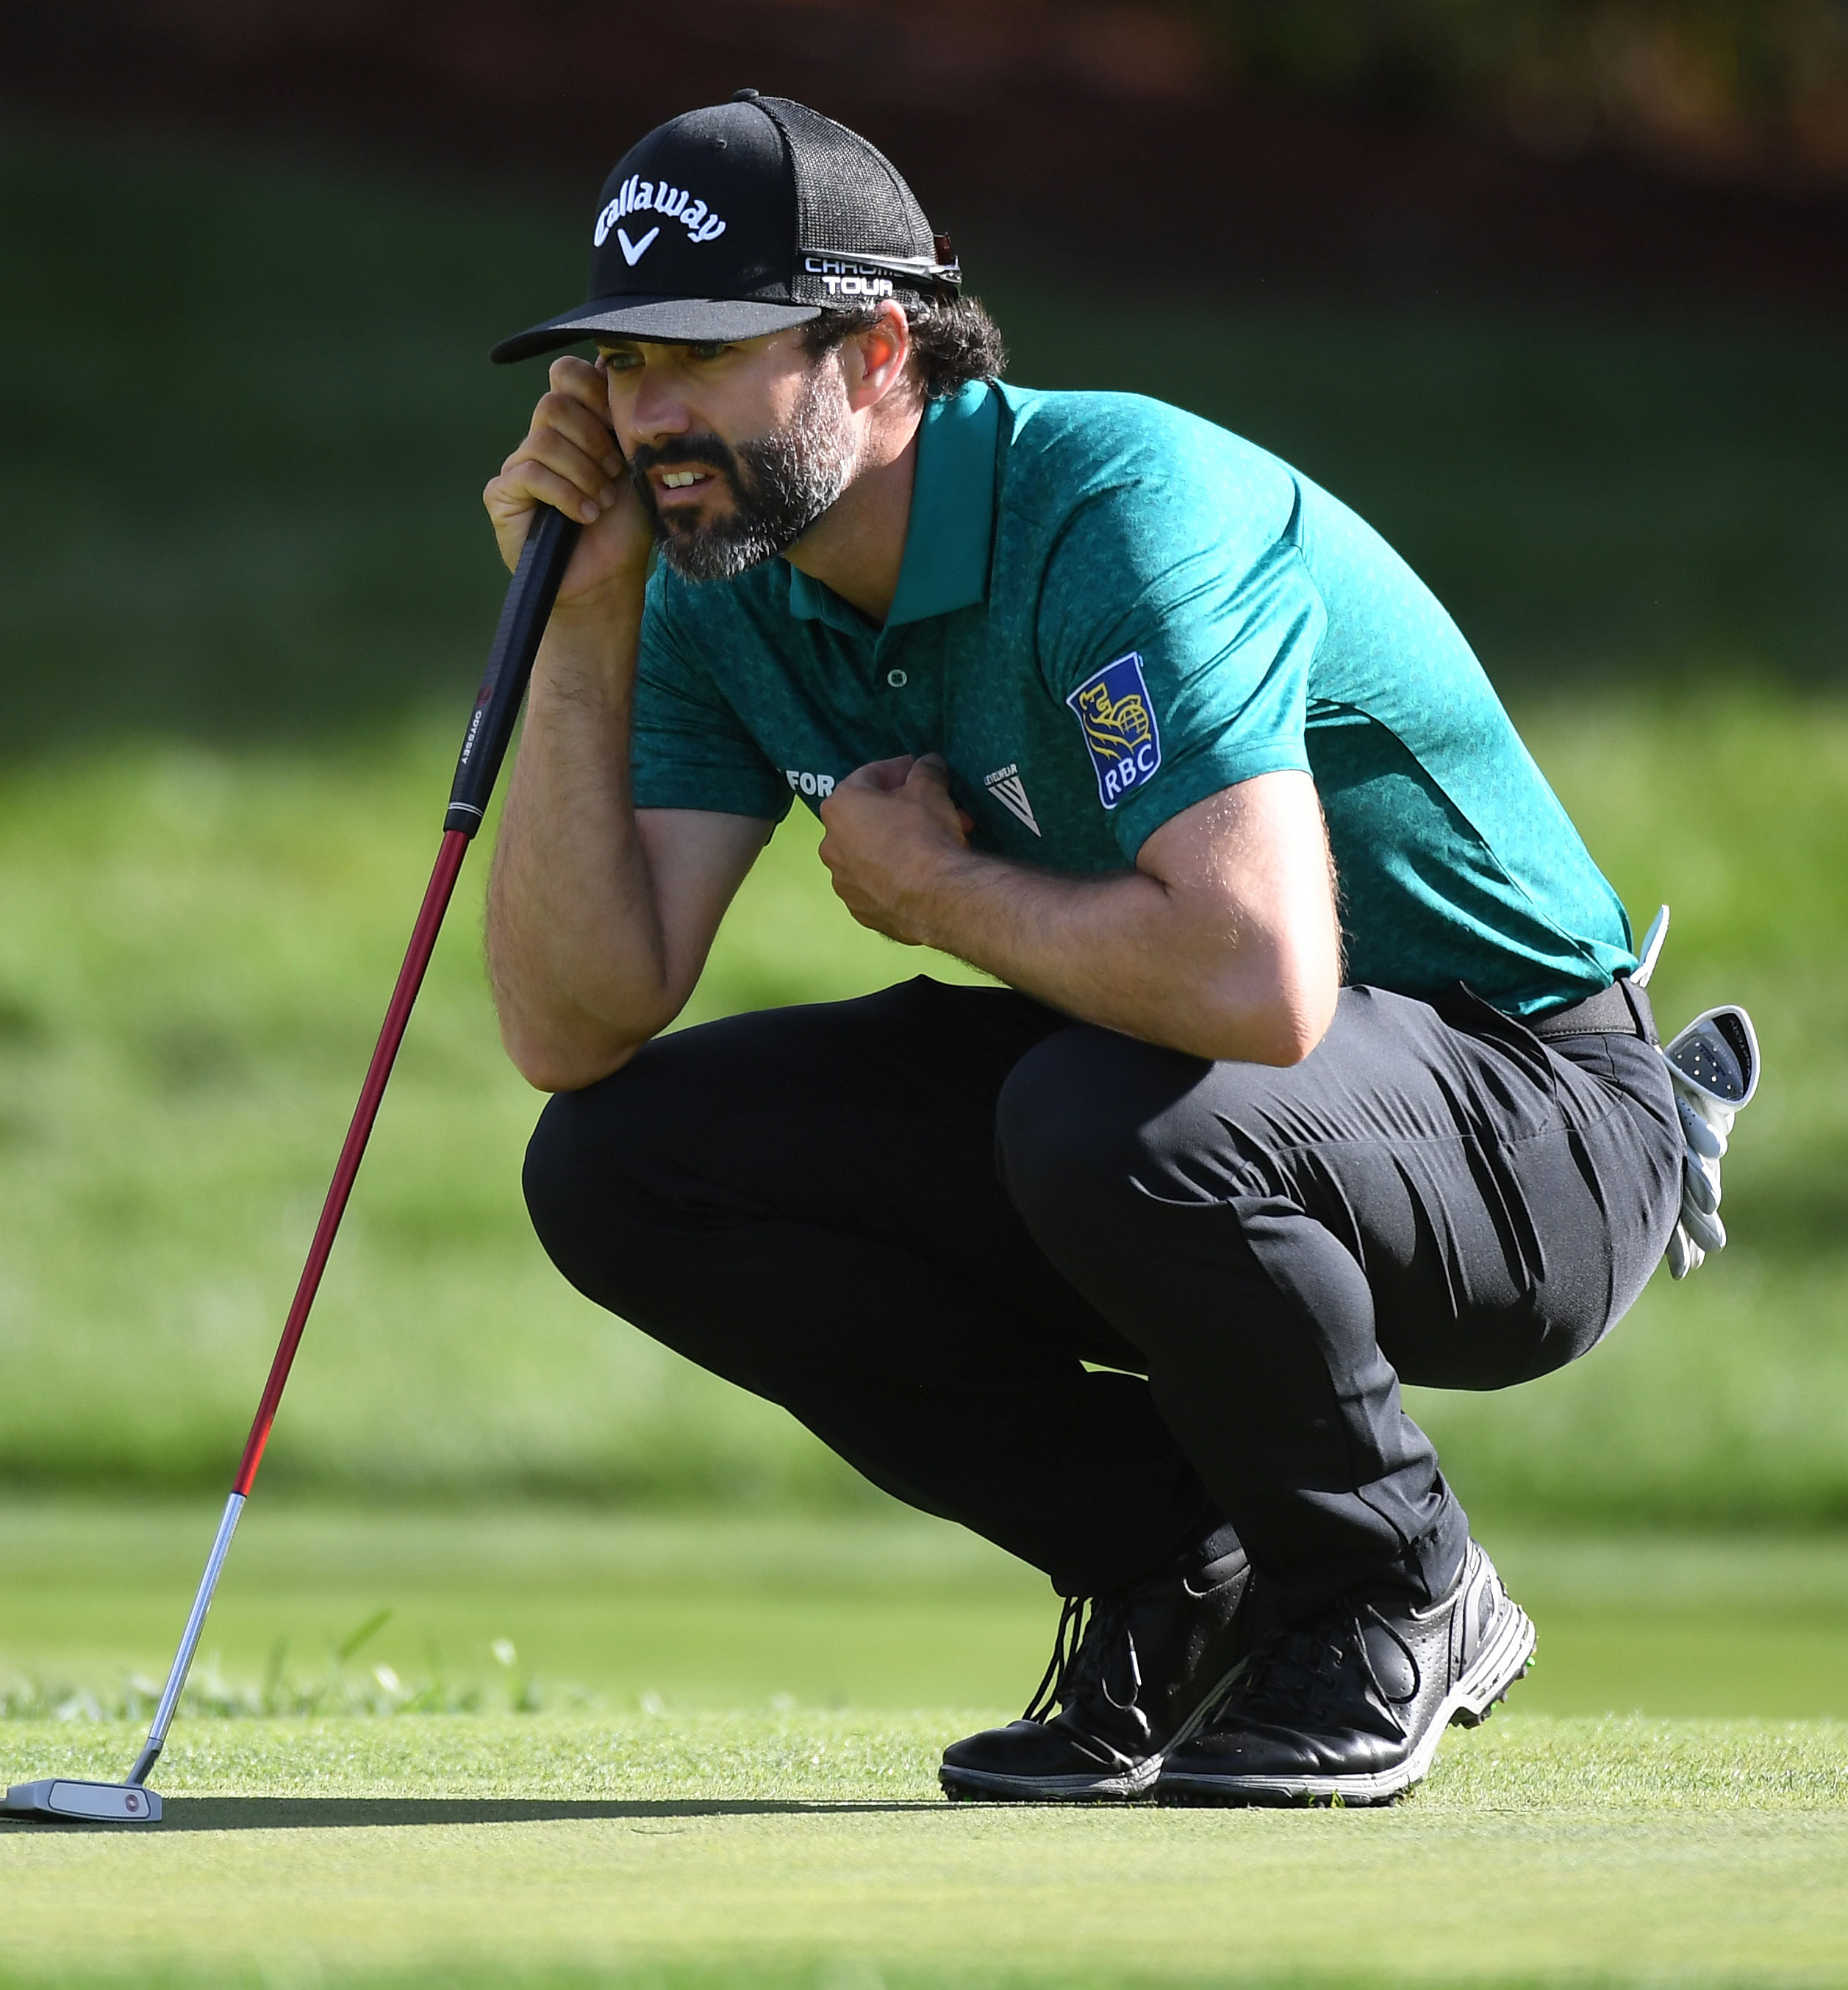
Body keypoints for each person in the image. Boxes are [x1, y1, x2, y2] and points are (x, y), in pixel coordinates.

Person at [478, 90, 1687, 1808]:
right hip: (1190, 1082)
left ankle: (1393, 1585)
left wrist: (935, 895)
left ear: (878, 347)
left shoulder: (1114, 507)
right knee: (619, 1165)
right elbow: (570, 1024)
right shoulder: (711, 583)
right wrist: (584, 620)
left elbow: (1259, 979)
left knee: (1094, 1115)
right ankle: (1182, 1565)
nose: (643, 415)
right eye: (614, 364)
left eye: (702, 356)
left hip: (1538, 1122)